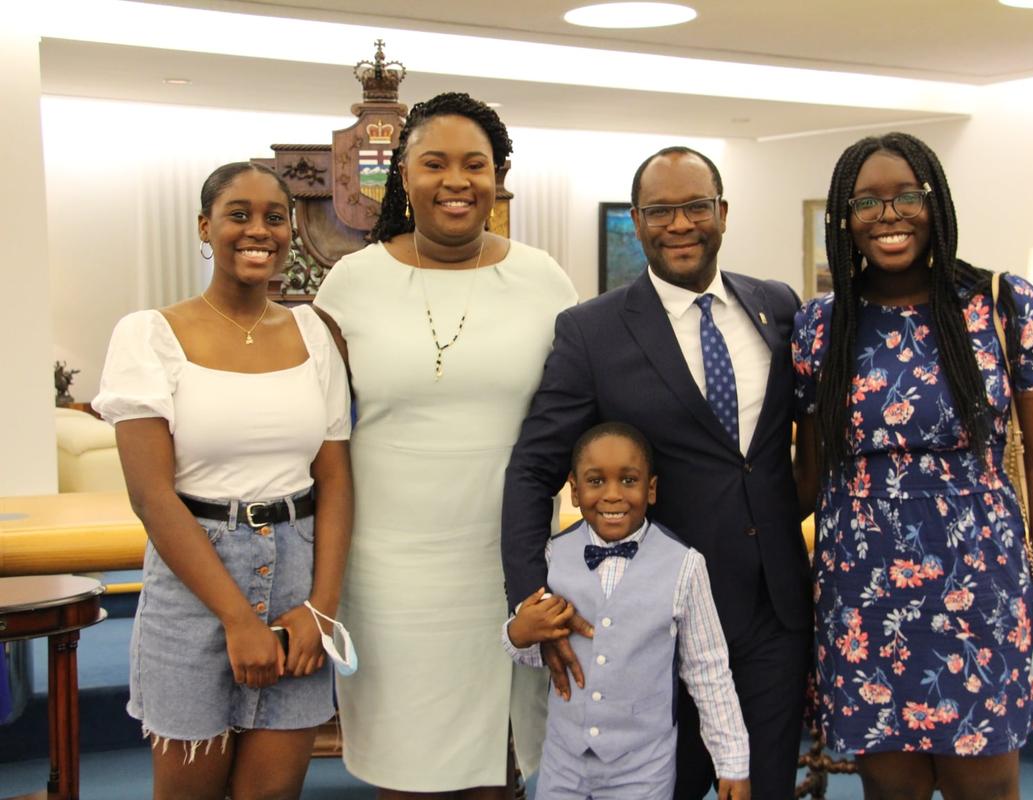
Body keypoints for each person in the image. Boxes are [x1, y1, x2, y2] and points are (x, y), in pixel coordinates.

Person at [502, 146, 810, 799]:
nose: (680, 225)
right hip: (653, 625)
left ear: (722, 212)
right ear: (638, 221)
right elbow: (533, 470)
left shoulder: (778, 306)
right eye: (660, 212)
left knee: (766, 787)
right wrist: (530, 599)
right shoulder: (592, 332)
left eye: (696, 207)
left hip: (773, 614)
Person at [790, 132, 1033, 799]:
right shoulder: (821, 326)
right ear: (845, 217)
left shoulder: (1003, 306)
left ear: (935, 203)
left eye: (906, 197)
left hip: (976, 587)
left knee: (985, 784)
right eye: (867, 202)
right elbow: (809, 477)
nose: (888, 216)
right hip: (862, 594)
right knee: (890, 787)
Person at [312, 92, 578, 798]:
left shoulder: (544, 279)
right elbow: (322, 433)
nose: (455, 181)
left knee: (498, 763)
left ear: (498, 176)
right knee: (405, 762)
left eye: (474, 164)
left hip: (506, 558)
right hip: (388, 568)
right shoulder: (351, 283)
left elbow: (576, 411)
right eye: (434, 163)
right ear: (404, 176)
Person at [93, 161, 353, 800]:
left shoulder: (313, 333)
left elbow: (335, 480)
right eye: (239, 214)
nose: (258, 230)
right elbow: (151, 496)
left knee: (272, 793)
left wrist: (321, 608)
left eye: (274, 217)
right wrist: (236, 617)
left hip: (297, 573)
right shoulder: (149, 334)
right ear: (205, 227)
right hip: (195, 579)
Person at [504, 422, 751, 800]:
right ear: (574, 490)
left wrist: (732, 761)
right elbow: (536, 653)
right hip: (564, 765)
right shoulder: (553, 557)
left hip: (643, 771)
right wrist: (516, 634)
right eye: (596, 481)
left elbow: (708, 670)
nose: (613, 495)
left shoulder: (685, 565)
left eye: (629, 480)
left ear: (651, 489)